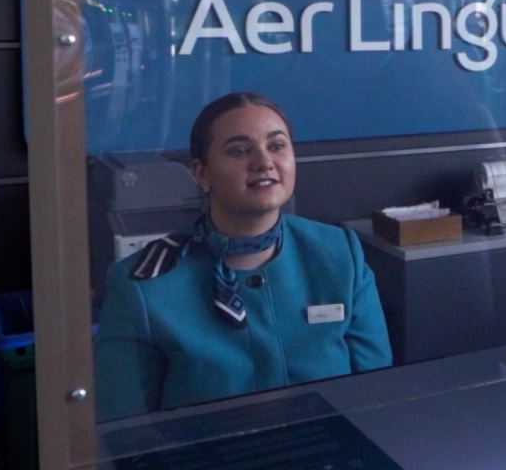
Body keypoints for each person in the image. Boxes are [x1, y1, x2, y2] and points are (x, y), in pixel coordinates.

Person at [95, 92, 392, 421]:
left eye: (277, 146)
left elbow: (375, 396)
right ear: (202, 174)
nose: (264, 162)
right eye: (239, 150)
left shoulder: (339, 253)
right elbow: (127, 433)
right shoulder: (143, 285)